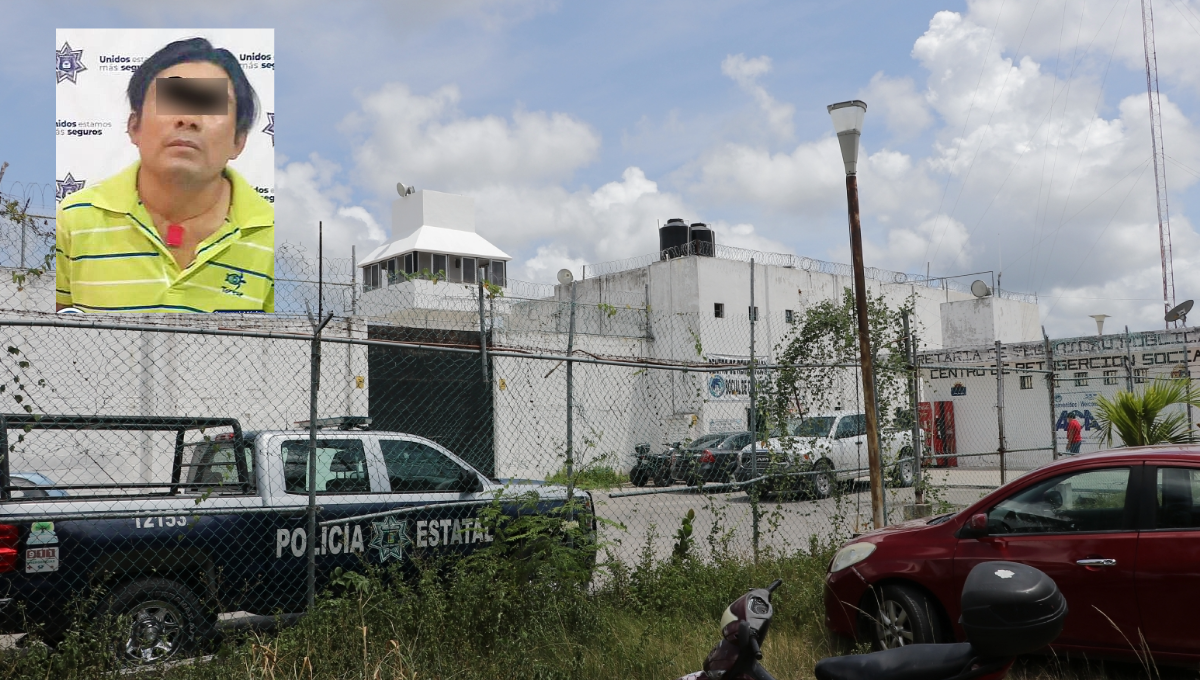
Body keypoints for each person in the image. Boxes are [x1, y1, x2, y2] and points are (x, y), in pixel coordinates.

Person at [55, 37, 274, 313]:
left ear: (238, 141)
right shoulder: (72, 220)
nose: (188, 119)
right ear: (134, 126)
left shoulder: (273, 235)